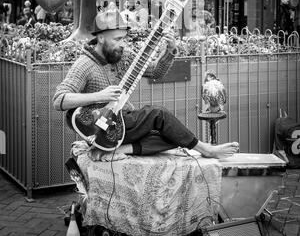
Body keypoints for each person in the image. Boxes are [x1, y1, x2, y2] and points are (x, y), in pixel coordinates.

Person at [53, 9, 239, 159]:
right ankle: (206, 149)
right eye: (117, 39)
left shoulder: (122, 56)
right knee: (159, 115)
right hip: (104, 127)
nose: (123, 44)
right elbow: (59, 100)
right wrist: (99, 96)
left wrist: (170, 51)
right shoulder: (85, 65)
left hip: (125, 123)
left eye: (124, 38)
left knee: (174, 136)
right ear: (100, 38)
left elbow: (155, 72)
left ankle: (121, 150)